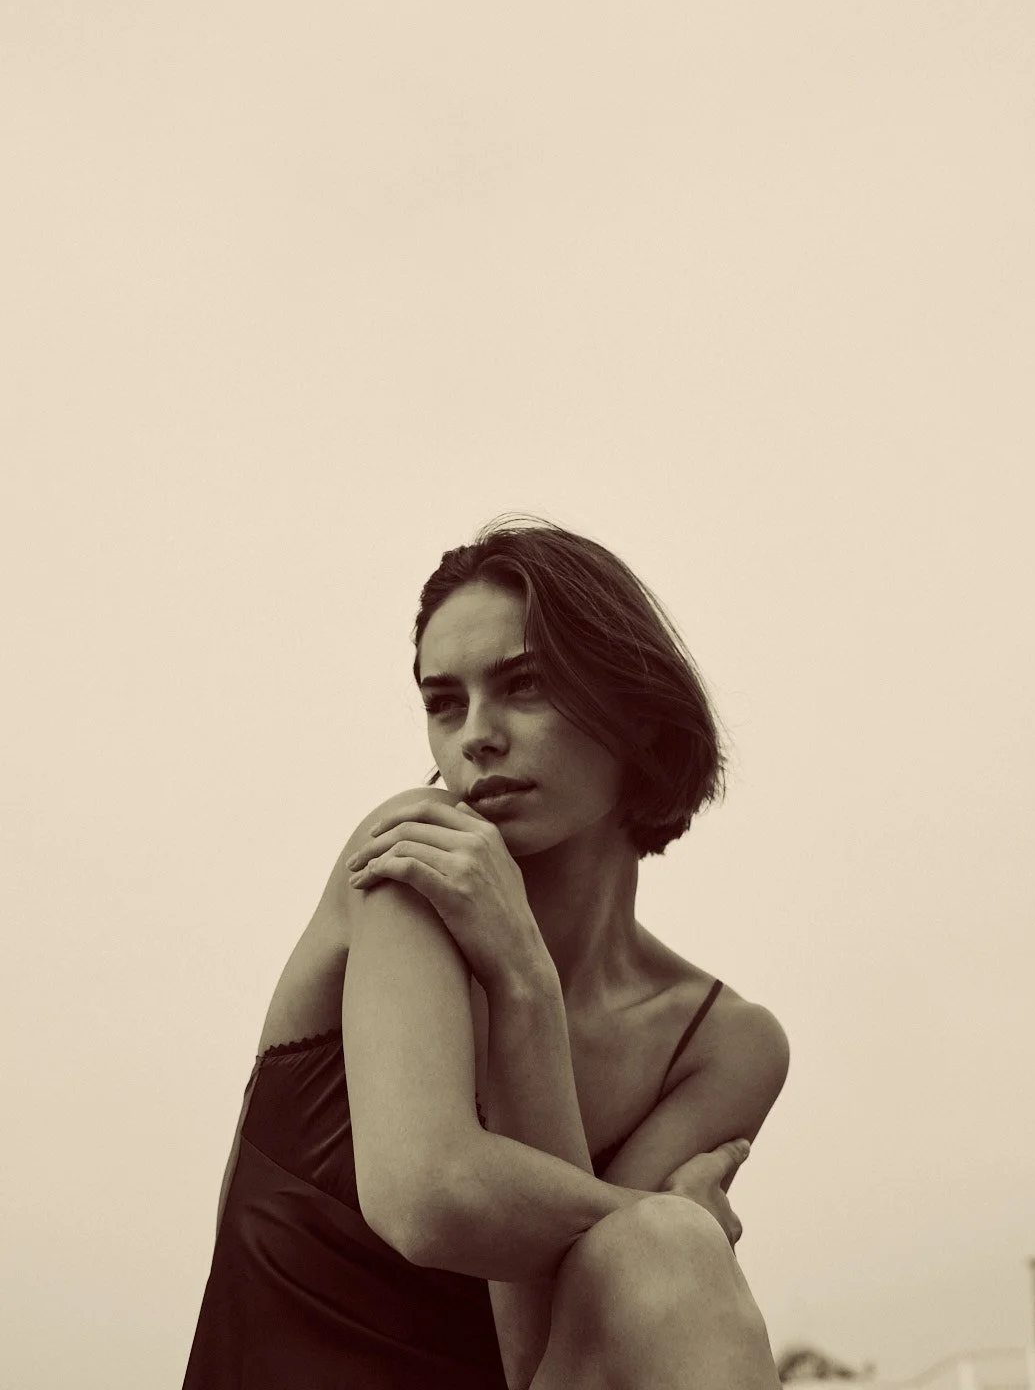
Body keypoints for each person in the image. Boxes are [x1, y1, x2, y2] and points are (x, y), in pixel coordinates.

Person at [183, 513, 790, 1389]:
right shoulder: (411, 862)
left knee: (661, 1254)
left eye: (524, 684)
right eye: (444, 703)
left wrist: (523, 985)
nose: (476, 735)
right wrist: (524, 982)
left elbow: (539, 1348)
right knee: (669, 1238)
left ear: (638, 712)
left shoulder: (722, 1045)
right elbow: (427, 1199)